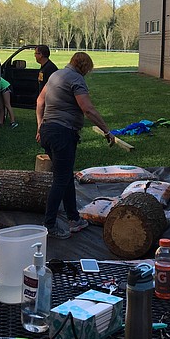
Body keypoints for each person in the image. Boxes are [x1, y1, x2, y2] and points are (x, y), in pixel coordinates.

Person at [36, 52, 114, 239]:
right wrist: (107, 130)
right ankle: (49, 225)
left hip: (48, 131)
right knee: (61, 179)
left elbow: (40, 101)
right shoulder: (76, 79)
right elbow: (87, 108)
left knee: (65, 175)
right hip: (63, 133)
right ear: (84, 67)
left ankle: (74, 219)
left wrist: (40, 126)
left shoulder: (56, 75)